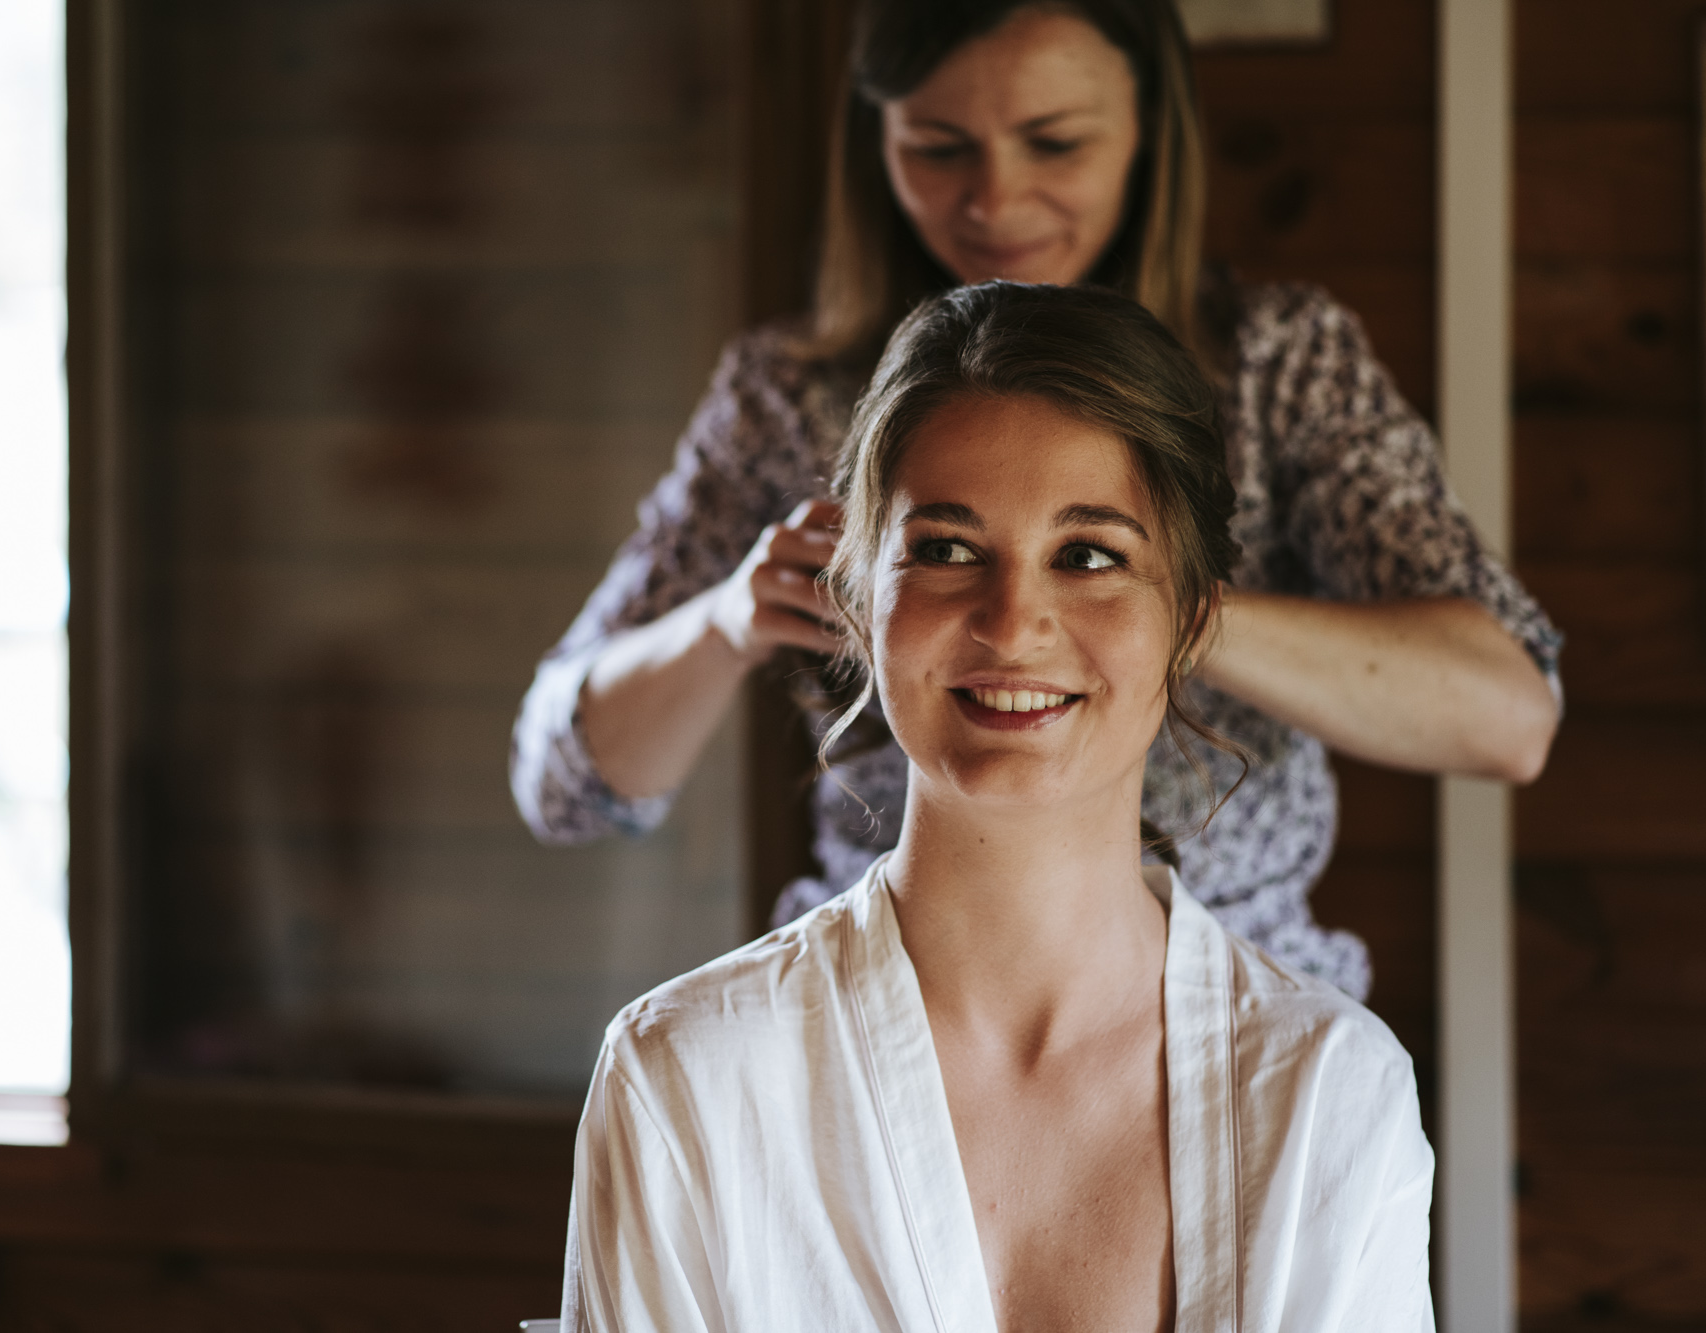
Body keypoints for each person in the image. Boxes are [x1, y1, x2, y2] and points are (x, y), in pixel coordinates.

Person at [512, 0, 1562, 999]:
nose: (994, 201)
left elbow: (1508, 715)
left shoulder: (1279, 364)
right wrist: (725, 620)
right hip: (889, 989)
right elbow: (559, 781)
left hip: (1235, 983)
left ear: (1148, 125)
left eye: (1053, 143)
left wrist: (1159, 608)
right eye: (938, 148)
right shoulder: (784, 396)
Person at [561, 283, 1435, 1330]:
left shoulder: (1332, 1090)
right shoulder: (686, 1078)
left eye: (1089, 556)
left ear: (1190, 621)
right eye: (944, 549)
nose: (1013, 624)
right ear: (856, 603)